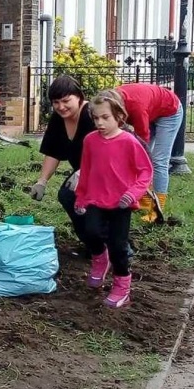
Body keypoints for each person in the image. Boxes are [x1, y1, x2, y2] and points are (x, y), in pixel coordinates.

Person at [74, 90, 153, 308]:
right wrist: (81, 196)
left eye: (105, 117)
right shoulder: (90, 141)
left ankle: (121, 286)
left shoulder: (129, 142)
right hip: (95, 199)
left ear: (119, 116)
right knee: (89, 232)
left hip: (121, 203)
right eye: (96, 118)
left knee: (118, 246)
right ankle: (100, 259)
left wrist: (133, 193)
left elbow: (145, 171)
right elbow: (86, 170)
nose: (100, 122)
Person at [29, 76, 97, 246]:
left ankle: (114, 247)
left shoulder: (91, 115)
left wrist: (84, 173)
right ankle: (92, 245)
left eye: (66, 101)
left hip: (107, 170)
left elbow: (107, 149)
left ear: (79, 97)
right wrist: (42, 181)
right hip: (83, 173)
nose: (61, 107)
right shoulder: (58, 119)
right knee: (67, 195)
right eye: (56, 102)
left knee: (88, 202)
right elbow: (53, 152)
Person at [116, 83, 184, 222]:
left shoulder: (136, 107)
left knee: (158, 161)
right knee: (133, 160)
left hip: (170, 111)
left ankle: (157, 208)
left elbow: (142, 144)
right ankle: (145, 202)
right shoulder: (111, 101)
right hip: (151, 111)